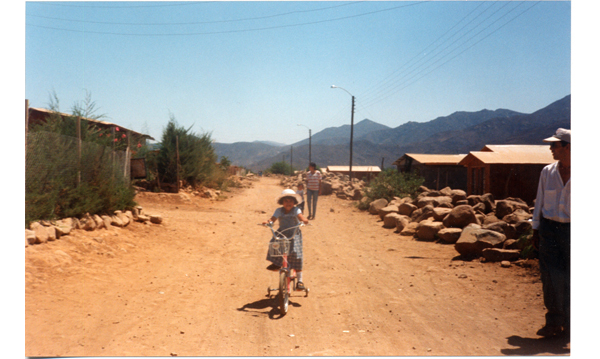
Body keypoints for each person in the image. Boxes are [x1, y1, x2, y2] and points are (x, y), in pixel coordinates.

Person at [532, 128, 571, 338]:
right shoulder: (547, 172)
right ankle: (554, 322)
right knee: (550, 277)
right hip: (549, 230)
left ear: (568, 147)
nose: (550, 149)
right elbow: (539, 201)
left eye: (554, 145)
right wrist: (536, 230)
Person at [263, 189, 310, 291]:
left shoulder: (296, 210)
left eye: (291, 201)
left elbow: (301, 217)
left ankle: (300, 281)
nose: (288, 203)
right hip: (282, 232)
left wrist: (304, 221)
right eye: (286, 201)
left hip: (294, 234)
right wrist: (268, 222)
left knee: (296, 254)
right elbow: (272, 219)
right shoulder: (278, 210)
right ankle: (277, 263)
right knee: (274, 244)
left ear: (294, 202)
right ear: (282, 202)